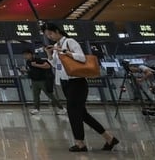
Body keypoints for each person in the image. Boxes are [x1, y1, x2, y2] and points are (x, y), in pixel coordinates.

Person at [43, 22, 119, 152]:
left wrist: (64, 51)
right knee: (82, 114)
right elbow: (56, 65)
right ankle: (109, 138)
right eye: (47, 35)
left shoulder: (70, 42)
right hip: (65, 82)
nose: (49, 37)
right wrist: (50, 54)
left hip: (77, 82)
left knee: (73, 112)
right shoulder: (56, 46)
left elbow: (82, 58)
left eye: (50, 33)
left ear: (57, 31)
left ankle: (80, 143)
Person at [20, 48, 64, 115]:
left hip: (42, 80)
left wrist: (36, 65)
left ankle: (62, 108)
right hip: (34, 81)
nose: (25, 56)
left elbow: (48, 66)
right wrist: (25, 71)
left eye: (26, 55)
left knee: (50, 95)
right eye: (24, 55)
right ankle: (36, 109)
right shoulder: (28, 62)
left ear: (31, 54)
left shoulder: (38, 60)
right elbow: (33, 70)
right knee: (35, 95)